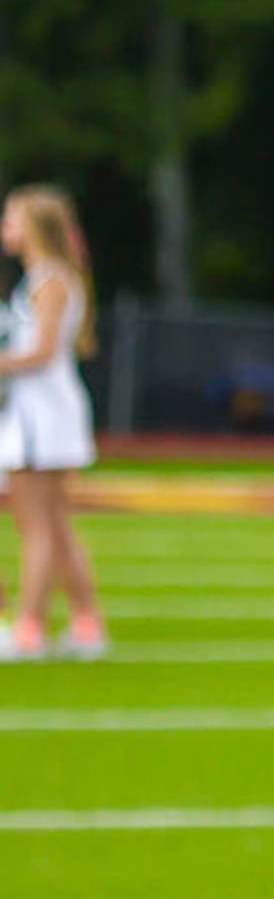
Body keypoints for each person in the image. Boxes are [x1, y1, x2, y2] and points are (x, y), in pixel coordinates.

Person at [0, 183, 105, 659]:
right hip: (40, 411)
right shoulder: (46, 277)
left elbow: (41, 352)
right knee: (54, 525)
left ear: (32, 229)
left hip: (43, 413)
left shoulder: (49, 279)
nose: (5, 229)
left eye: (11, 220)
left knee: (38, 526)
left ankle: (29, 628)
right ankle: (86, 625)